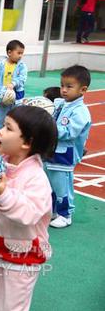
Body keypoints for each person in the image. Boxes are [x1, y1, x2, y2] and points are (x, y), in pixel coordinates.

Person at [0, 105, 58, 311]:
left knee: (9, 307)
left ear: (27, 142)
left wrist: (2, 194)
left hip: (21, 260)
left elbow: (29, 213)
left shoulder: (36, 178)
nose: (0, 130)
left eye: (8, 128)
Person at [45, 65, 92, 228]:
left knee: (62, 186)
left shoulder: (80, 111)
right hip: (51, 153)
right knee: (49, 184)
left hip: (65, 156)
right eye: (62, 85)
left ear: (83, 90)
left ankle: (66, 214)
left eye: (69, 86)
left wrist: (47, 126)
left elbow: (70, 132)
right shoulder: (62, 104)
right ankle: (52, 211)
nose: (64, 90)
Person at [0, 40, 27, 130]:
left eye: (22, 53)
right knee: (3, 116)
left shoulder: (22, 66)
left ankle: (17, 133)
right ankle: (1, 131)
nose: (20, 56)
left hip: (17, 95)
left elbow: (22, 79)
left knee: (17, 116)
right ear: (9, 52)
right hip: (3, 95)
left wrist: (13, 84)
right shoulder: (1, 65)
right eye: (19, 53)